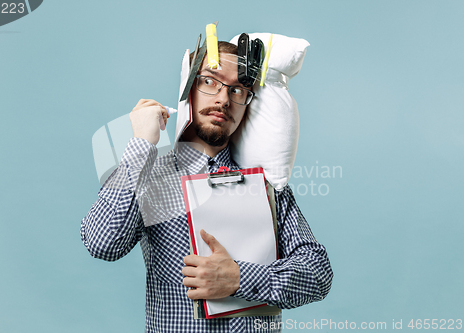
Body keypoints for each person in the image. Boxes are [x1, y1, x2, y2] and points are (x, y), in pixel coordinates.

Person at [81, 41, 333, 333]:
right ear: (188, 90)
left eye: (237, 90)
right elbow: (103, 244)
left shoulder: (267, 186)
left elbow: (317, 273)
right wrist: (141, 145)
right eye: (210, 82)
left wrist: (240, 278)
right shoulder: (150, 175)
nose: (223, 99)